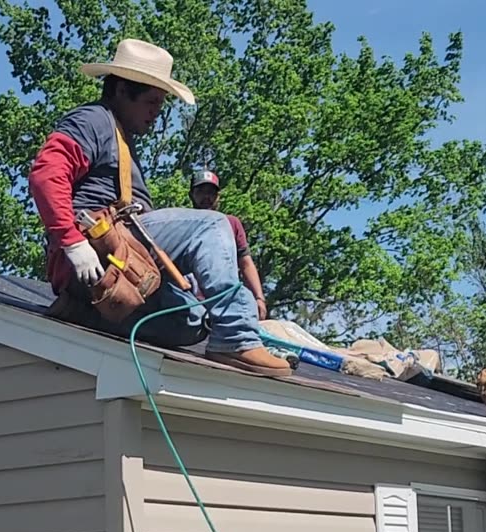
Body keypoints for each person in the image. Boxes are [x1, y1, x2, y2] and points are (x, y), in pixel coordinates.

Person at [27, 38, 290, 377]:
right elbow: (46, 175)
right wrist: (73, 242)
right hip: (95, 254)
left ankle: (88, 312)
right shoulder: (92, 120)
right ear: (122, 90)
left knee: (193, 320)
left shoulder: (121, 137)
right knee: (213, 224)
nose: (156, 112)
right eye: (151, 101)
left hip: (112, 275)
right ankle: (237, 338)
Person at [189, 169, 267, 320]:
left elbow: (245, 262)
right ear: (191, 195)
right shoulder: (182, 221)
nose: (207, 197)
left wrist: (259, 298)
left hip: (225, 301)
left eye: (211, 193)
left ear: (218, 197)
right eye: (201, 192)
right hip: (189, 300)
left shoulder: (231, 223)